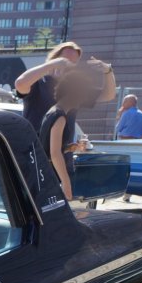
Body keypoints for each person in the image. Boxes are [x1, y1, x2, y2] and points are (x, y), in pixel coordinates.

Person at [15, 41, 116, 132]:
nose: (68, 65)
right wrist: (50, 65)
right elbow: (20, 84)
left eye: (73, 63)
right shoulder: (39, 81)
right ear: (54, 60)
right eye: (64, 60)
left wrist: (108, 71)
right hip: (35, 148)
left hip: (62, 150)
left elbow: (108, 95)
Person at [40, 70, 94, 202]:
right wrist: (66, 182)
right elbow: (54, 153)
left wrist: (72, 147)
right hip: (52, 177)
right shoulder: (60, 116)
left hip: (47, 175)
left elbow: (52, 147)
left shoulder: (54, 112)